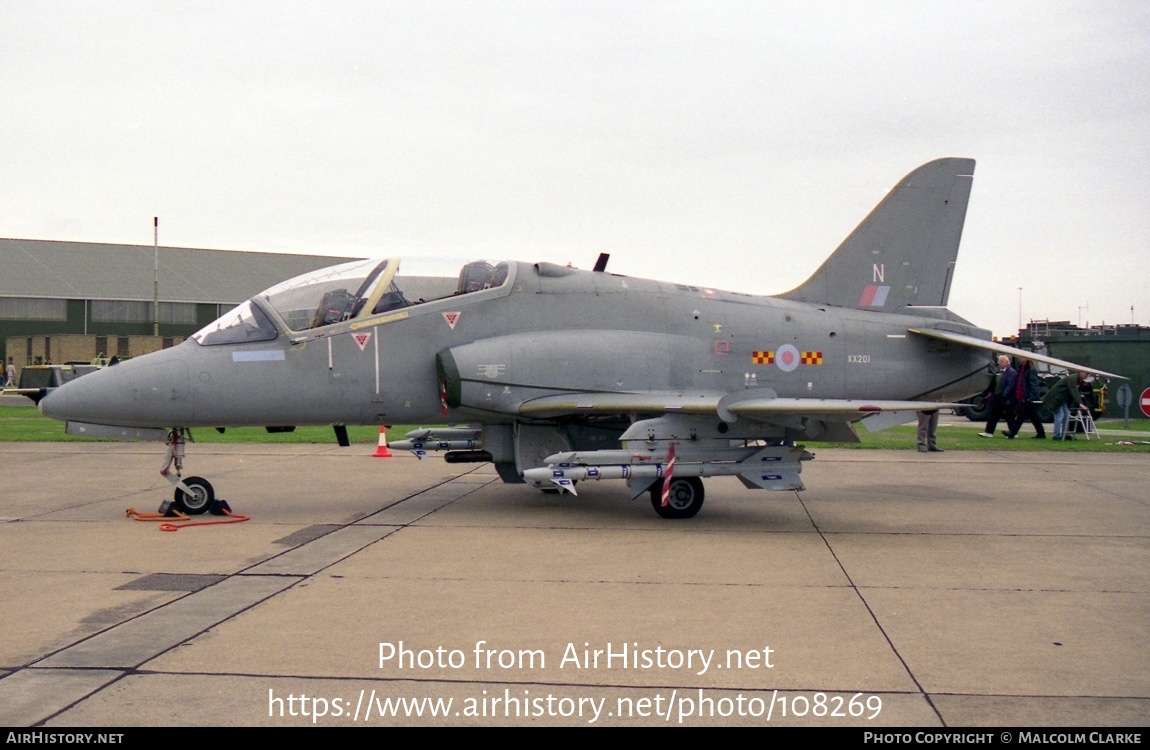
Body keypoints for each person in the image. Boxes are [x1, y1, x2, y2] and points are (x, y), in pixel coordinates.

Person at [1004, 359, 1046, 439]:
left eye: (1022, 357)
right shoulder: (1021, 369)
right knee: (1033, 417)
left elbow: (1034, 385)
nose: (1020, 359)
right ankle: (1041, 434)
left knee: (1020, 416)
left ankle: (1012, 433)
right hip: (1023, 397)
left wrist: (1031, 397)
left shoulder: (1030, 370)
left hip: (1028, 398)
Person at [1041, 372, 1087, 440]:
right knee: (1059, 415)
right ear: (1081, 372)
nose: (1087, 376)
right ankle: (1056, 435)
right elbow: (1074, 391)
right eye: (1086, 374)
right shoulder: (1073, 378)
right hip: (1056, 398)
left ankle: (1065, 433)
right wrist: (1080, 403)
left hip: (1062, 399)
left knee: (1066, 414)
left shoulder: (1078, 380)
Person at [978, 355, 1016, 438]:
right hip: (997, 396)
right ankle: (989, 432)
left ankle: (1013, 432)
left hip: (1006, 398)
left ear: (1007, 362)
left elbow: (1011, 385)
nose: (1000, 363)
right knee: (994, 415)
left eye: (1002, 361)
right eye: (999, 361)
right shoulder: (998, 371)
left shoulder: (1011, 372)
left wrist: (1005, 395)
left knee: (1009, 416)